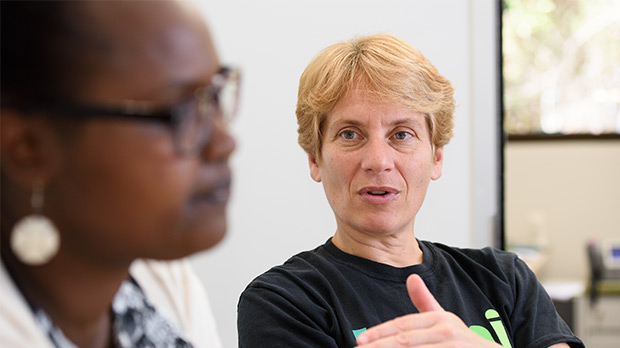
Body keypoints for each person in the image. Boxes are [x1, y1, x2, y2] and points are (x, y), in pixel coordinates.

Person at [237, 34, 583, 348]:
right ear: (315, 158)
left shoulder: (504, 279)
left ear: (436, 157)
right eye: (349, 134)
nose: (378, 161)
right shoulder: (283, 302)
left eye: (401, 134)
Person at [0, 1, 238, 347]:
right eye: (178, 112)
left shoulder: (159, 280)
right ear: (28, 149)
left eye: (214, 96)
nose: (224, 142)